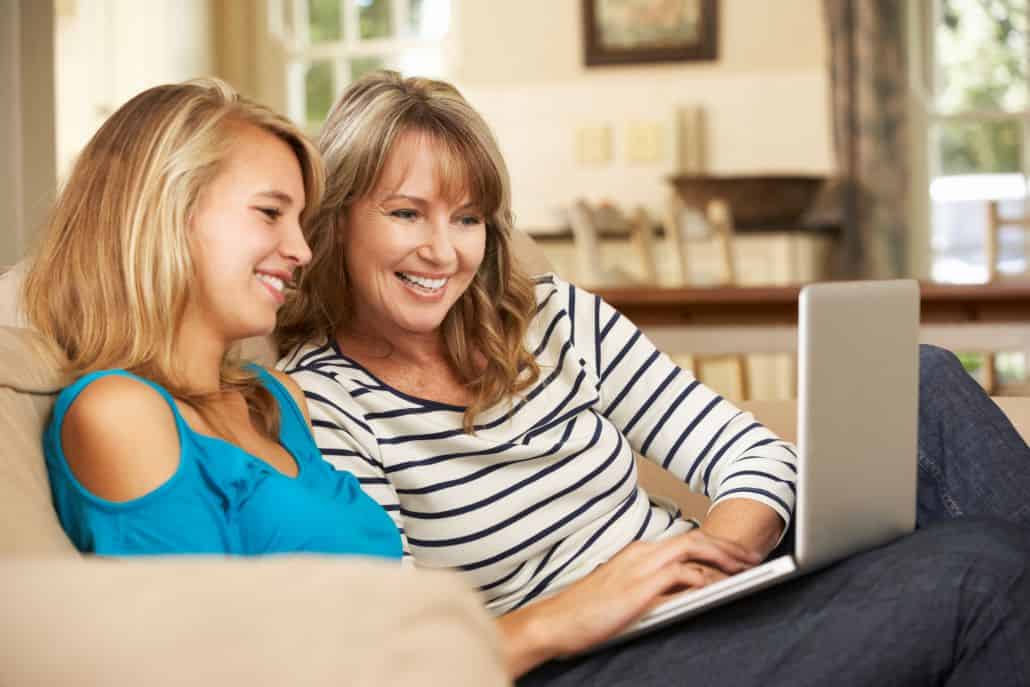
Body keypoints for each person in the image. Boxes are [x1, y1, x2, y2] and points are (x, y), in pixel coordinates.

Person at [275, 70, 1030, 685]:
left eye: (467, 218)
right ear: (338, 219)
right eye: (408, 213)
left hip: (700, 595)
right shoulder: (327, 402)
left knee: (919, 380)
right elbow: (406, 651)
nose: (443, 251)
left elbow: (754, 453)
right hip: (583, 658)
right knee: (979, 571)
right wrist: (589, 604)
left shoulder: (551, 315)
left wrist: (714, 556)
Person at [24, 79, 401, 560]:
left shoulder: (278, 400)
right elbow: (205, 632)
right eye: (269, 213)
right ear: (167, 211)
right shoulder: (119, 412)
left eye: (300, 224)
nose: (302, 251)